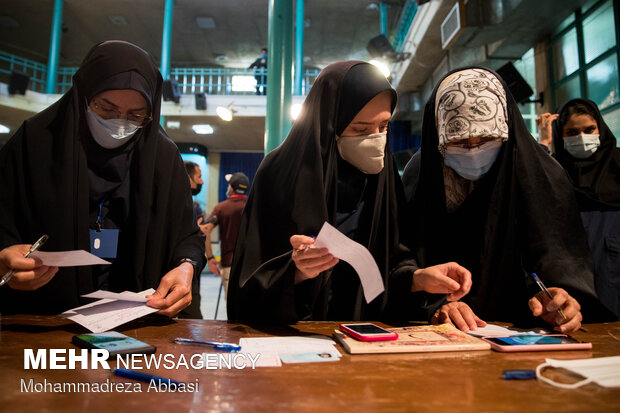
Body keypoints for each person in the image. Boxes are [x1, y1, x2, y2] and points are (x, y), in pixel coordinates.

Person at [227, 61, 473, 324]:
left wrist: (417, 278)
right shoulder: (279, 173)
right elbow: (248, 284)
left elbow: (387, 264)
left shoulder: (382, 176)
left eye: (384, 126)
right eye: (360, 129)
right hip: (297, 333)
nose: (377, 139)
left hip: (364, 330)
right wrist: (295, 271)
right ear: (330, 123)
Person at [0, 41, 205, 318]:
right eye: (106, 109)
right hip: (43, 318)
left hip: (137, 320)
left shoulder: (162, 157)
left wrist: (185, 266)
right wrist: (4, 258)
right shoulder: (33, 143)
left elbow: (186, 234)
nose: (120, 124)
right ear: (83, 96)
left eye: (136, 115)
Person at [402, 67, 611, 333]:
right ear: (438, 135)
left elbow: (558, 256)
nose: (474, 150)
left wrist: (559, 299)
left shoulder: (541, 173)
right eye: (459, 141)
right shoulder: (420, 174)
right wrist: (433, 304)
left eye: (487, 139)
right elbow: (403, 260)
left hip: (520, 328)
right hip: (439, 330)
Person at [537, 99, 620, 319]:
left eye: (589, 129)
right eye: (572, 132)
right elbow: (531, 182)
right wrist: (544, 142)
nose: (582, 137)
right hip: (570, 271)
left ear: (600, 128)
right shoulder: (555, 170)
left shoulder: (618, 164)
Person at [201, 172, 250, 299]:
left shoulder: (221, 208)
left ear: (232, 188)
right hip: (252, 267)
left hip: (229, 266)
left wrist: (211, 259)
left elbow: (205, 230)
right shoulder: (254, 206)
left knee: (233, 312)